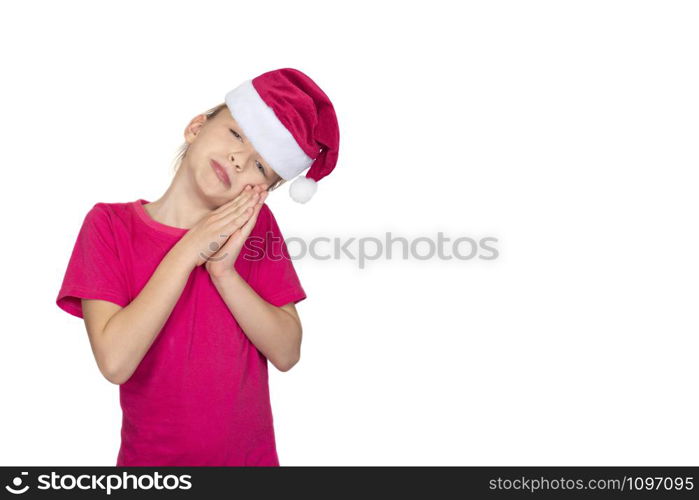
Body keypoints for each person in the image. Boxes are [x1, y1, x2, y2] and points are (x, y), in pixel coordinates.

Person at [55, 67, 340, 466]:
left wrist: (224, 273)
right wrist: (189, 249)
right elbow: (116, 361)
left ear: (262, 192)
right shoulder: (109, 226)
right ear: (195, 128)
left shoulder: (255, 231)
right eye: (237, 135)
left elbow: (287, 351)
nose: (240, 160)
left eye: (261, 166)